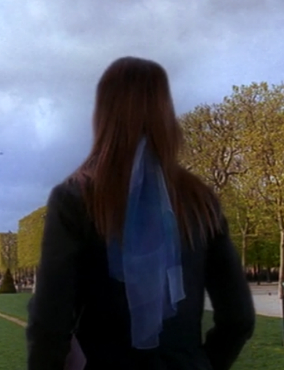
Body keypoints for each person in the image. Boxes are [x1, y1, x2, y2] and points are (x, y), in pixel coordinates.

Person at [26, 57, 255, 370]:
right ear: (166, 112)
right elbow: (239, 319)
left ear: (102, 114)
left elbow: (50, 324)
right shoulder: (200, 201)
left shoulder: (75, 198)